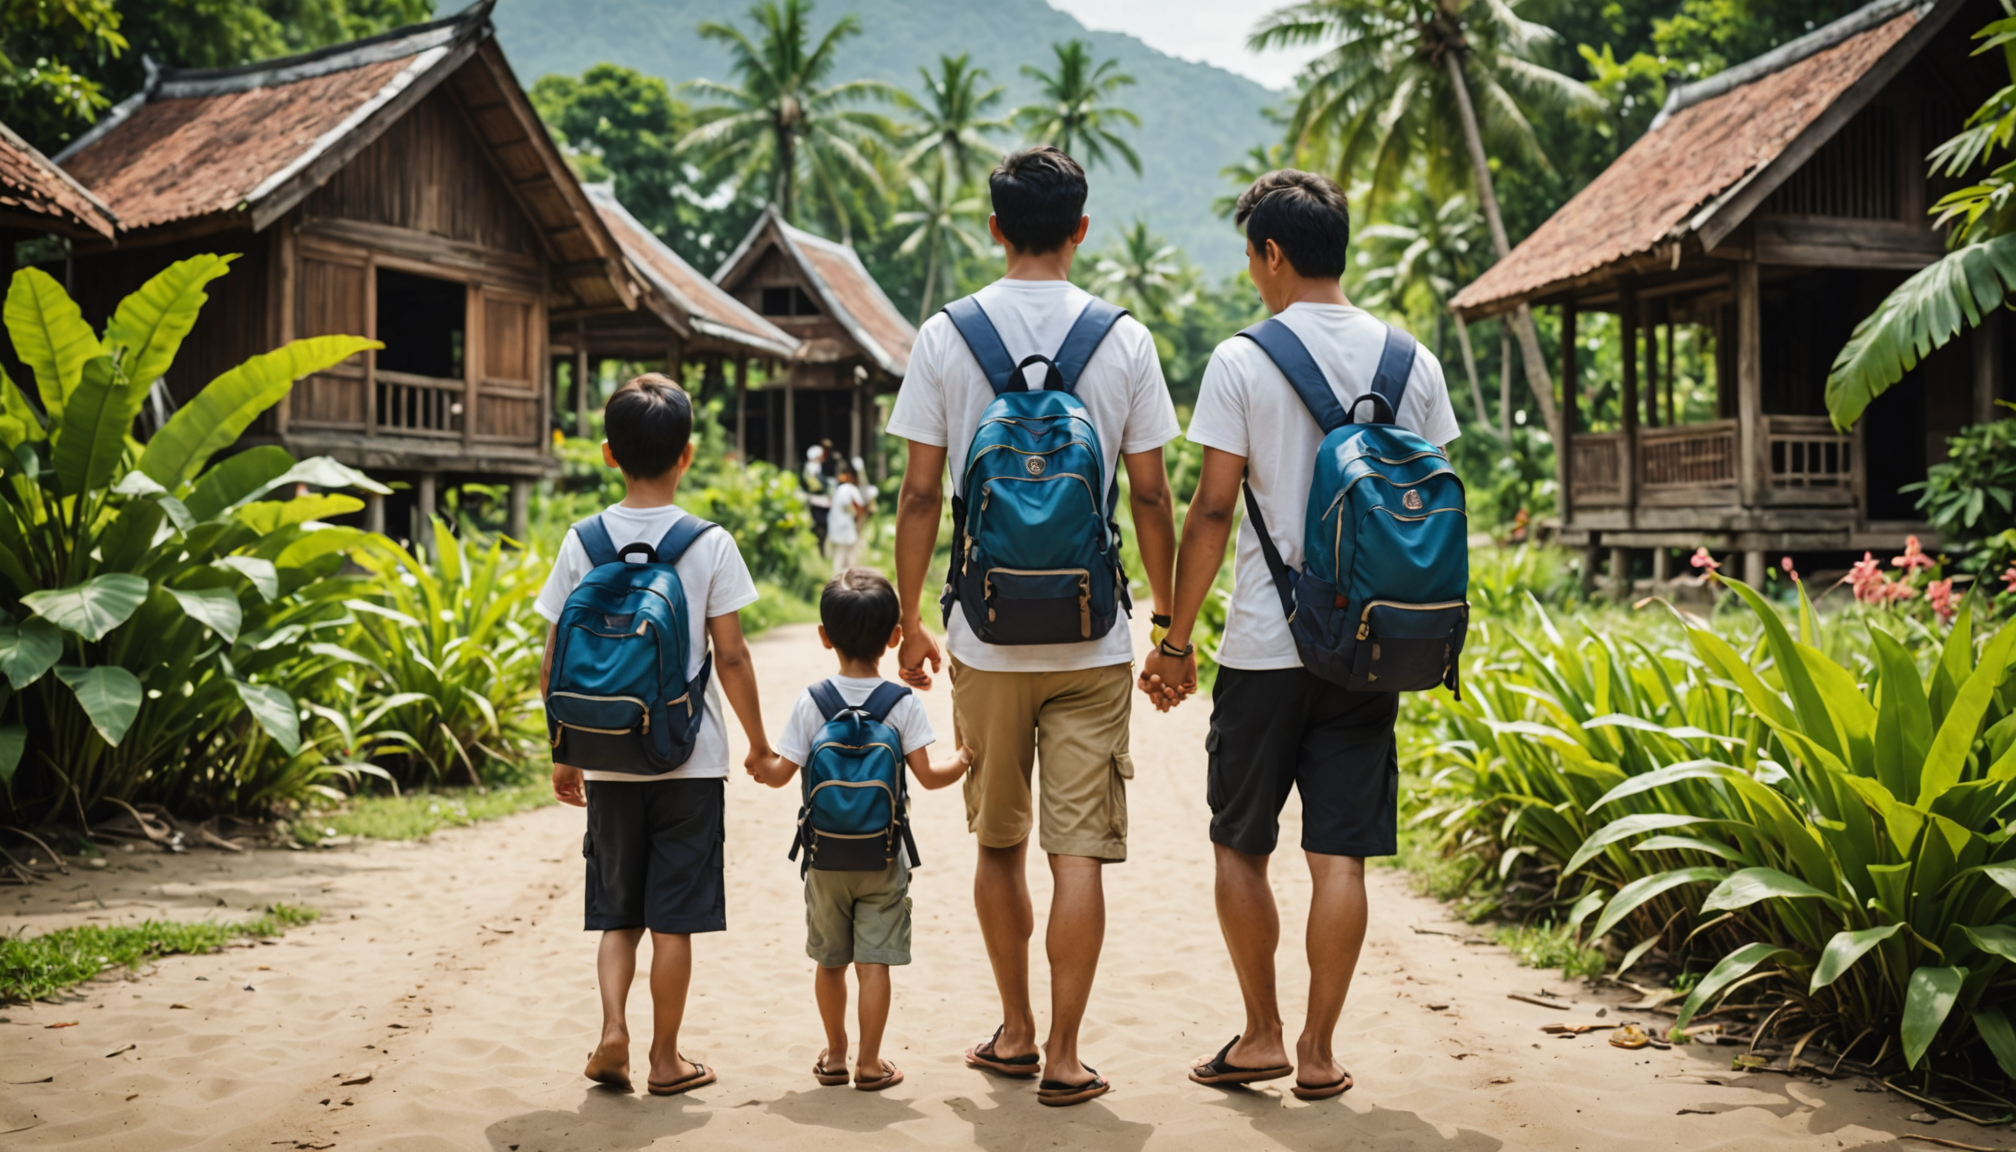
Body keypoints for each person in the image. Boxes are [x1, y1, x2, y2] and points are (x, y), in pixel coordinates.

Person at [1141, 170, 1460, 1101]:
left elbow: (1210, 508)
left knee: (1241, 843)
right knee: (1340, 853)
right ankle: (1320, 1050)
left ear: (1272, 253)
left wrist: (1172, 634)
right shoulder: (1414, 362)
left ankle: (1262, 1034)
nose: (1251, 272)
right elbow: (1425, 507)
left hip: (1266, 647)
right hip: (1373, 646)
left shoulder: (1244, 359)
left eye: (1250, 254)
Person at [887, 144, 1180, 1107]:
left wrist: (910, 622)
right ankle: (1063, 1053)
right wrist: (1171, 621)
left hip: (985, 634)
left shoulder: (946, 334)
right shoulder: (1124, 338)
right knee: (1079, 852)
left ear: (993, 227)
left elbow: (923, 491)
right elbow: (1149, 495)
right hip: (1095, 639)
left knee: (999, 845)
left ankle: (1012, 1029)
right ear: (1082, 230)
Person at [536, 373, 777, 1097]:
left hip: (607, 760)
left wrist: (562, 748)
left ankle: (612, 1028)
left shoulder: (583, 540)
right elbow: (730, 655)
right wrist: (759, 743)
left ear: (609, 455)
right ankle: (666, 1059)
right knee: (675, 920)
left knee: (617, 914)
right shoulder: (707, 543)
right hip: (687, 762)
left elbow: (553, 657)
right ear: (688, 455)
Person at [748, 568, 970, 1091]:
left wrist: (760, 763)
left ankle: (835, 1056)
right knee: (874, 963)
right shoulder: (902, 704)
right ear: (895, 636)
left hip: (824, 859)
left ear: (825, 637)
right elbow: (932, 779)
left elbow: (780, 776)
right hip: (883, 855)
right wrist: (964, 757)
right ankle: (871, 1064)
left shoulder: (812, 702)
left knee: (830, 961)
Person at [826, 463, 867, 573]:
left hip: (836, 524)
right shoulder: (850, 489)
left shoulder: (839, 489)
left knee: (840, 552)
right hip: (845, 525)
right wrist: (858, 521)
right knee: (848, 552)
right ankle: (846, 576)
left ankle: (838, 576)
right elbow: (859, 507)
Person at [803, 444, 832, 548]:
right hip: (816, 501)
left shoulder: (818, 468)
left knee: (825, 525)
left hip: (824, 501)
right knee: (819, 524)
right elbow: (815, 486)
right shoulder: (810, 469)